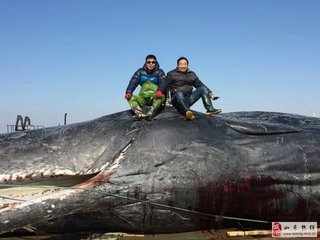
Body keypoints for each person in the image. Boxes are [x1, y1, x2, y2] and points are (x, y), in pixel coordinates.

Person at [125, 55, 166, 120]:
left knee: (161, 96)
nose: (151, 64)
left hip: (154, 97)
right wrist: (129, 92)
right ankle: (139, 114)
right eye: (149, 62)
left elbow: (163, 83)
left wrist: (160, 90)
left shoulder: (159, 72)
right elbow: (133, 82)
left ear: (155, 63)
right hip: (143, 97)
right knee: (130, 98)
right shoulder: (140, 72)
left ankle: (150, 113)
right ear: (145, 63)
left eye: (153, 62)